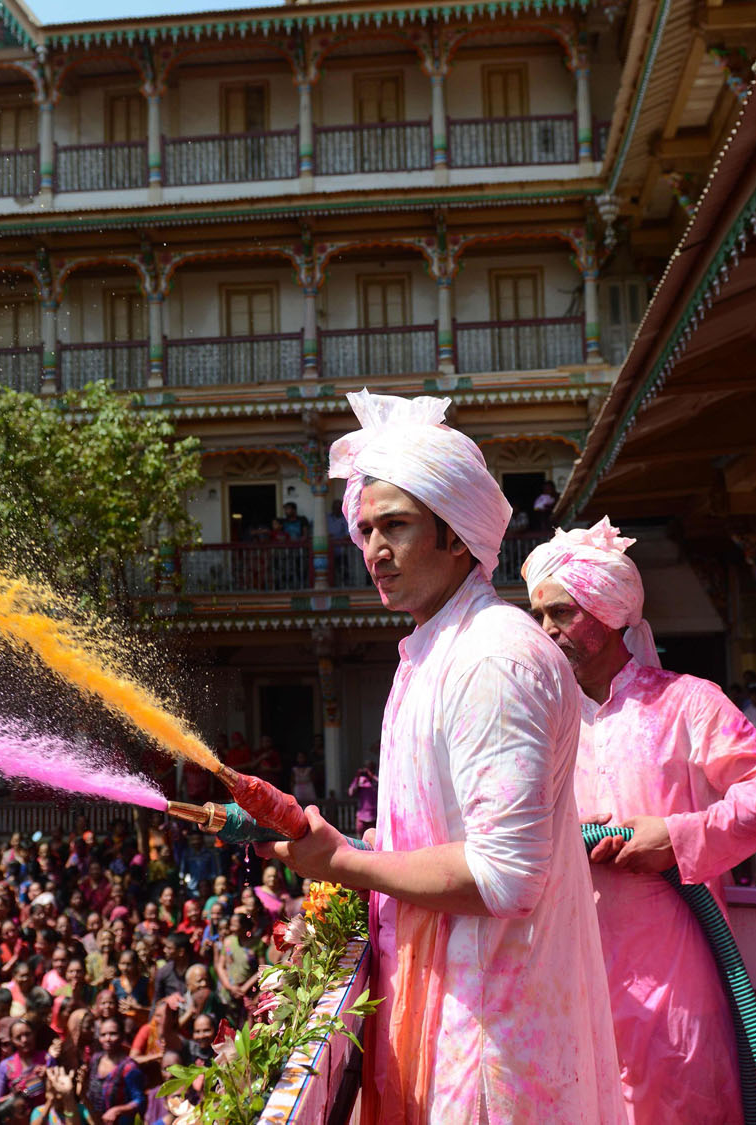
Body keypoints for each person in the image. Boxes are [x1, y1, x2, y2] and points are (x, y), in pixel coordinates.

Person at [264, 390, 624, 1123]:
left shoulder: (493, 655)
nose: (373, 550)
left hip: (492, 1025)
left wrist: (343, 864)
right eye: (365, 528)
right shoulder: (432, 651)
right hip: (454, 1008)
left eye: (394, 525)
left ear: (456, 535)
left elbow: (505, 875)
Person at [523, 520, 756, 1125]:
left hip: (675, 972)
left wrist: (676, 837)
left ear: (609, 610)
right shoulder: (538, 721)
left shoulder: (687, 702)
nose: (547, 630)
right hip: (565, 967)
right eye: (539, 615)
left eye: (563, 612)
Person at [347, 753, 379, 837]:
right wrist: (357, 778)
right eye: (367, 768)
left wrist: (371, 776)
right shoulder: (360, 780)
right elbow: (351, 793)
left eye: (371, 768)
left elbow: (382, 786)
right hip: (362, 816)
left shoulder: (376, 780)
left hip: (374, 816)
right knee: (360, 840)